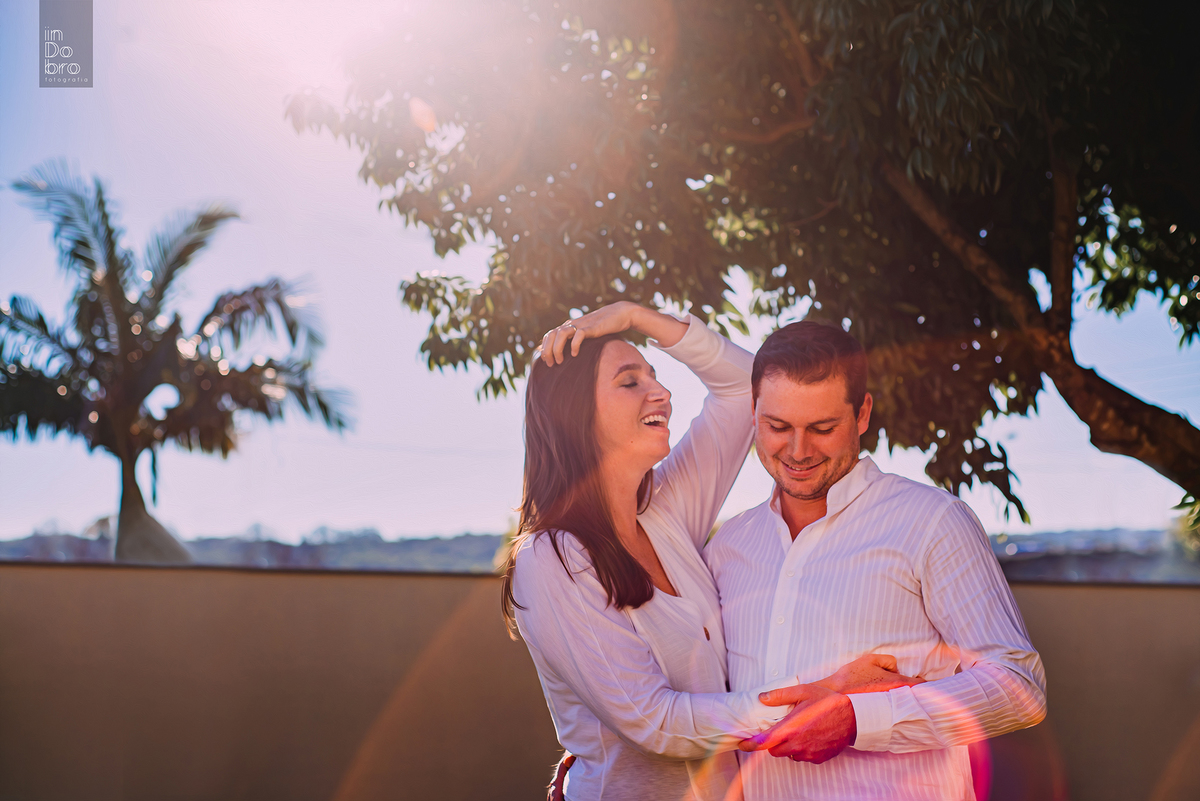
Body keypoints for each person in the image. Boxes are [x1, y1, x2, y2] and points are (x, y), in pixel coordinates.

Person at [502, 303, 921, 801]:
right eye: (630, 381)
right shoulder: (552, 558)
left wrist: (636, 315)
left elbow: (745, 386)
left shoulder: (665, 513)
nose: (661, 392)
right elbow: (654, 723)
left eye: (654, 375)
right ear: (574, 412)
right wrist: (824, 694)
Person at [704, 321, 1047, 800]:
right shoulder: (726, 547)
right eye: (778, 426)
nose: (798, 451)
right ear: (754, 412)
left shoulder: (933, 521)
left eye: (822, 428)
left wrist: (856, 719)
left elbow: (1019, 687)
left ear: (862, 413)